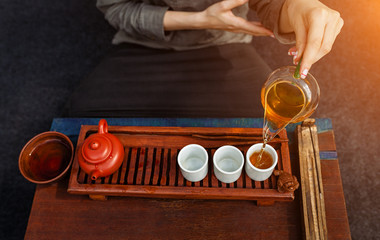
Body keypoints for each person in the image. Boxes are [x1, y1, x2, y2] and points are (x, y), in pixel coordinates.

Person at [64, 0, 343, 117]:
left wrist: (299, 6)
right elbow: (117, 9)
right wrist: (199, 19)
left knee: (273, 124)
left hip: (224, 44)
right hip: (144, 44)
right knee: (82, 117)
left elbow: (272, 4)